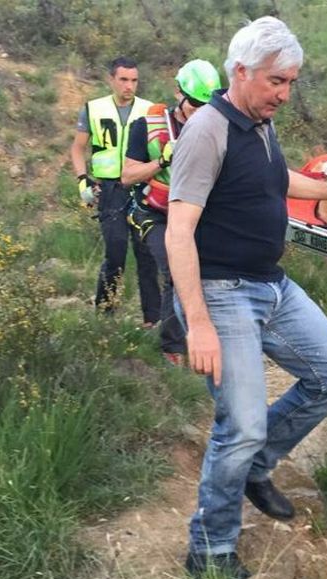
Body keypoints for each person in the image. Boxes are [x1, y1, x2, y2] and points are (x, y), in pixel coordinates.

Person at [165, 17, 327, 579]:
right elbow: (178, 231)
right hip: (219, 291)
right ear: (240, 72)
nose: (284, 94)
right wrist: (199, 326)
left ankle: (256, 467)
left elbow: (275, 178)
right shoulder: (206, 131)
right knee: (241, 423)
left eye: (291, 83)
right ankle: (208, 550)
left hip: (270, 284)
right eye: (276, 82)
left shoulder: (259, 122)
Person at [121, 59, 223, 366]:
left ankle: (199, 330)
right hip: (154, 212)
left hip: (195, 213)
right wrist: (162, 161)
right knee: (176, 272)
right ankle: (172, 346)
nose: (199, 109)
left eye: (207, 104)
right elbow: (127, 176)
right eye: (194, 102)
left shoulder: (214, 126)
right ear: (178, 92)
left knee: (205, 273)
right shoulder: (147, 126)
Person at [70, 56, 161, 325]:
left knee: (147, 253)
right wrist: (82, 180)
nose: (129, 86)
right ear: (111, 80)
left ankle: (152, 319)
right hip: (109, 189)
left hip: (142, 188)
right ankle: (105, 314)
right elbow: (77, 148)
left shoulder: (150, 110)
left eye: (134, 80)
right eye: (123, 79)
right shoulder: (93, 109)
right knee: (116, 250)